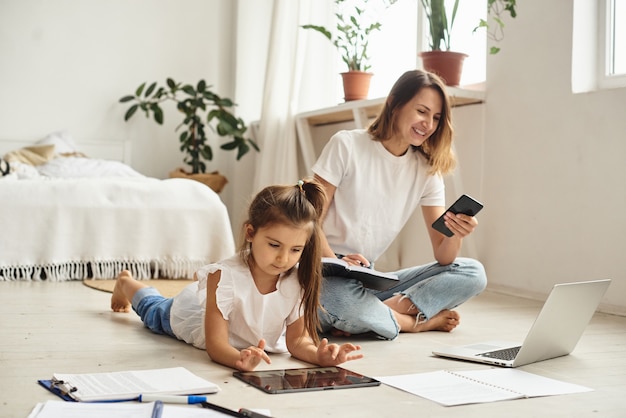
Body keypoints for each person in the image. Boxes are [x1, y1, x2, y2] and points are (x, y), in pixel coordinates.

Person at [110, 179, 363, 371]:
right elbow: (216, 345)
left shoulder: (296, 280)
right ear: (251, 233)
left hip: (240, 330)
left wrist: (319, 356)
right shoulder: (225, 277)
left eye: (295, 249)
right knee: (155, 311)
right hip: (198, 319)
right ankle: (126, 283)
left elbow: (297, 342)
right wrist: (238, 359)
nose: (283, 259)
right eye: (274, 245)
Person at [312, 69, 487, 340]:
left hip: (366, 278)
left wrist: (456, 232)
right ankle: (413, 322)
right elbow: (309, 218)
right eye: (422, 111)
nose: (428, 124)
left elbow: (444, 257)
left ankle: (370, 314)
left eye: (436, 117)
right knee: (339, 300)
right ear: (394, 103)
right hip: (324, 271)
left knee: (473, 273)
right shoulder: (346, 144)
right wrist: (336, 260)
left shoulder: (427, 170)